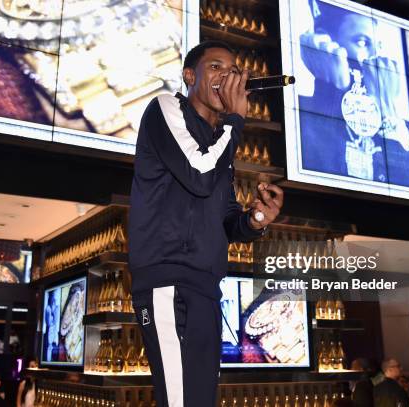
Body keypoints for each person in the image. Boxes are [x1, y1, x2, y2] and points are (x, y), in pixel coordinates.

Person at [128, 40, 283, 407]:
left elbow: (228, 223)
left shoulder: (218, 144)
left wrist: (258, 218)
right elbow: (198, 173)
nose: (226, 76)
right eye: (215, 67)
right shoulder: (165, 107)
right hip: (167, 281)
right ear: (188, 76)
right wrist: (235, 120)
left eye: (232, 71)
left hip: (206, 288)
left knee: (197, 399)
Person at [298, 1, 409, 188]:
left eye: (378, 46)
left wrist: (387, 112)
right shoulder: (300, 114)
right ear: (325, 42)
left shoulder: (407, 131)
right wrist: (330, 88)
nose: (375, 57)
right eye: (362, 42)